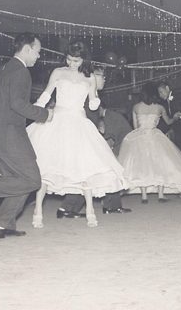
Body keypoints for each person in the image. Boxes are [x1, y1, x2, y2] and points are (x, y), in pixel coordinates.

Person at [27, 42, 125, 228]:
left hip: (79, 123)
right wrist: (36, 111)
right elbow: (46, 94)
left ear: (83, 60)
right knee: (45, 166)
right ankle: (37, 211)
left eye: (76, 60)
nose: (72, 63)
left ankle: (90, 211)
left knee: (84, 167)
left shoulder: (90, 78)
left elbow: (93, 100)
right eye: (69, 59)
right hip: (58, 121)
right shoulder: (58, 72)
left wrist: (95, 100)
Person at [0, 32, 53, 239]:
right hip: (9, 136)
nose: (39, 56)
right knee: (33, 180)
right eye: (38, 51)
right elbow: (17, 104)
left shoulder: (3, 69)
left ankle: (3, 225)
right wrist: (44, 114)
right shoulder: (21, 71)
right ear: (27, 49)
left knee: (20, 179)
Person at [57, 67, 132, 218]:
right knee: (100, 169)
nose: (104, 80)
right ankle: (69, 208)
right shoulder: (84, 91)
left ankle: (70, 208)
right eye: (102, 76)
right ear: (94, 76)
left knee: (97, 170)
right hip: (84, 137)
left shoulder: (91, 93)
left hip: (89, 136)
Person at [119, 82, 181, 203]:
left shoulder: (136, 107)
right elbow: (168, 122)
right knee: (161, 165)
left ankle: (144, 197)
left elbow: (136, 126)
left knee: (142, 166)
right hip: (155, 136)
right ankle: (160, 195)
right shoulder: (159, 107)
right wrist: (174, 117)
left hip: (140, 137)